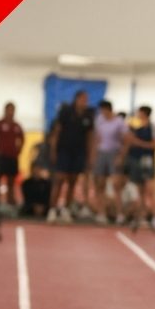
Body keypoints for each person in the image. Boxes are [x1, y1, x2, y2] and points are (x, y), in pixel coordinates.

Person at [48, 90, 95, 223]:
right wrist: (53, 150)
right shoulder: (66, 112)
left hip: (79, 152)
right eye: (83, 99)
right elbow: (57, 132)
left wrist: (90, 155)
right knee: (59, 179)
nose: (85, 102)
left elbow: (90, 136)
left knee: (72, 181)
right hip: (64, 150)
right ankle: (52, 209)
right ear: (76, 99)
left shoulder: (88, 115)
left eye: (86, 100)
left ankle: (66, 209)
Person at [115, 105, 155, 230]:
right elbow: (128, 143)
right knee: (140, 192)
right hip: (136, 161)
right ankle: (141, 217)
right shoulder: (137, 129)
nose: (138, 115)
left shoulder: (153, 128)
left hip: (147, 162)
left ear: (144, 113)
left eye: (139, 112)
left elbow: (154, 145)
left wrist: (137, 142)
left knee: (149, 190)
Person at [90, 100, 125, 224]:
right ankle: (101, 213)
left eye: (104, 110)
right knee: (100, 184)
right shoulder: (99, 120)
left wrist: (121, 156)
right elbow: (96, 138)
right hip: (101, 153)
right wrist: (93, 156)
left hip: (114, 152)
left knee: (116, 185)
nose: (102, 113)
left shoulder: (119, 122)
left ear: (108, 109)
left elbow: (125, 140)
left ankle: (120, 214)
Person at [0, 101, 23, 207]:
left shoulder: (16, 126)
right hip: (0, 157)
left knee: (11, 182)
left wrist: (18, 150)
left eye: (12, 110)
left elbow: (22, 139)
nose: (10, 112)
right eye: (9, 109)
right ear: (5, 110)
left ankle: (10, 204)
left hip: (12, 157)